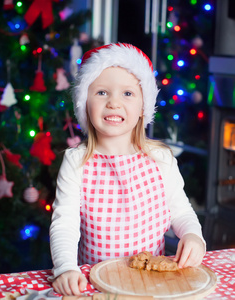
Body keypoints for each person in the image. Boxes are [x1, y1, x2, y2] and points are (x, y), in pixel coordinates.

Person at [49, 43, 206, 296]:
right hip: (95, 284)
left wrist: (193, 235)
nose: (113, 102)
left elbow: (180, 211)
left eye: (128, 94)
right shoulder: (77, 161)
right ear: (84, 103)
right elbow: (64, 223)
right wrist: (66, 268)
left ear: (143, 107)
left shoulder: (160, 159)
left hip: (149, 284)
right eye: (101, 92)